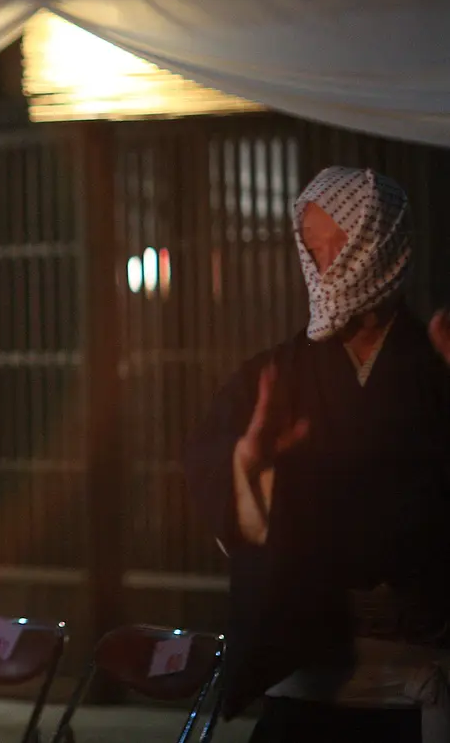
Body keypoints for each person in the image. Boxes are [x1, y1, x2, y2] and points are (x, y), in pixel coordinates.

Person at [185, 167, 450, 743]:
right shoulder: (273, 376)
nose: (329, 266)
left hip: (419, 661)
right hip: (304, 663)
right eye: (314, 247)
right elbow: (210, 464)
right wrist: (248, 471)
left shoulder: (436, 368)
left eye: (344, 246)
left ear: (385, 247)